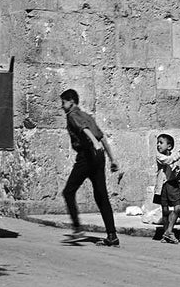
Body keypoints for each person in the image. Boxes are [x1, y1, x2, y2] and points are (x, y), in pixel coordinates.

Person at [60, 88, 120, 247]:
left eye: (63, 102)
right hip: (98, 156)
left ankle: (77, 228)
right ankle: (112, 235)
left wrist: (93, 143)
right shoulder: (87, 115)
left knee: (68, 191)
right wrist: (112, 158)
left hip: (86, 156)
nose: (62, 106)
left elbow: (83, 129)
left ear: (71, 101)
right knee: (101, 195)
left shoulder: (72, 115)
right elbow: (102, 137)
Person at [154, 133, 180, 244]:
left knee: (177, 208)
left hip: (172, 185)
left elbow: (177, 165)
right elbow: (168, 160)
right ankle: (166, 233)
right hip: (163, 186)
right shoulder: (160, 156)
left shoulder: (174, 156)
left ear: (169, 146)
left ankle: (169, 231)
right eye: (157, 143)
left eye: (161, 142)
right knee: (165, 211)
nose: (158, 145)